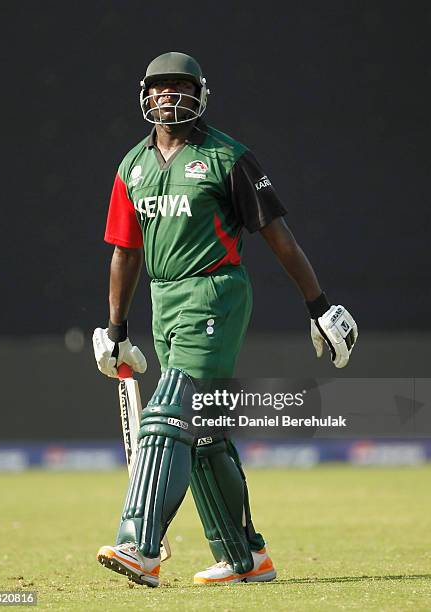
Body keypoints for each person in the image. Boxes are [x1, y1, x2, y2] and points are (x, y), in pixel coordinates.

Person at [92, 51, 358, 588]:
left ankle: (138, 544)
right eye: (159, 88)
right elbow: (125, 251)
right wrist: (116, 332)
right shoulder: (132, 167)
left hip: (215, 294)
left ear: (199, 94)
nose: (169, 96)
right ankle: (245, 558)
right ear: (145, 96)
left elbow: (278, 236)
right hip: (163, 303)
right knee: (205, 431)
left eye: (179, 86)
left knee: (169, 412)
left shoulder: (226, 157)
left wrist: (320, 304)